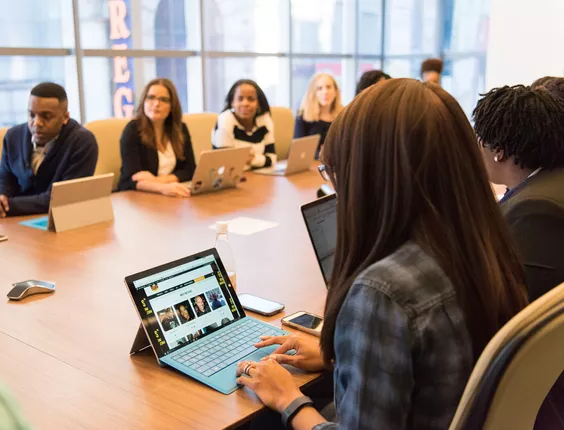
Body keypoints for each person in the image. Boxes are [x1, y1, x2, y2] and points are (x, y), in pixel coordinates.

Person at [234, 79, 527, 429]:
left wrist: (288, 400)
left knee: (259, 419)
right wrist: (342, 360)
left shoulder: (383, 292)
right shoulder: (484, 244)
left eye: (337, 173)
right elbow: (433, 369)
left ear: (372, 176)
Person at [473, 84, 564, 302]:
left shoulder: (535, 208)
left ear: (498, 151)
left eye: (479, 140)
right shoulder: (549, 182)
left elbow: (524, 296)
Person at [0, 82, 98, 219]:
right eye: (31, 115)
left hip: (59, 221)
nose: (36, 123)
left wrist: (8, 205)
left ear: (65, 117)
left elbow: (62, 199)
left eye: (46, 117)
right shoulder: (13, 136)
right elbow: (4, 178)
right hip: (14, 222)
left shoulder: (82, 142)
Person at [118, 78, 195, 198]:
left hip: (171, 196)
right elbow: (131, 179)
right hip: (138, 199)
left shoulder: (180, 129)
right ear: (144, 101)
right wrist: (163, 188)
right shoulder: (132, 130)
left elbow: (189, 170)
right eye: (151, 97)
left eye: (163, 100)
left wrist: (155, 180)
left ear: (172, 106)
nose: (156, 104)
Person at [212, 79, 276, 170]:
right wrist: (260, 160)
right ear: (232, 103)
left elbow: (272, 159)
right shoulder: (225, 119)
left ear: (258, 103)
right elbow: (225, 165)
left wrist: (252, 159)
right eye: (240, 99)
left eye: (251, 99)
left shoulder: (265, 120)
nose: (245, 103)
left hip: (258, 176)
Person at [294, 73, 343, 158]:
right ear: (313, 93)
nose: (325, 92)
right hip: (310, 165)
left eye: (328, 87)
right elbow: (298, 152)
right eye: (319, 88)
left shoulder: (342, 116)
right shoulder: (303, 116)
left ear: (335, 91)